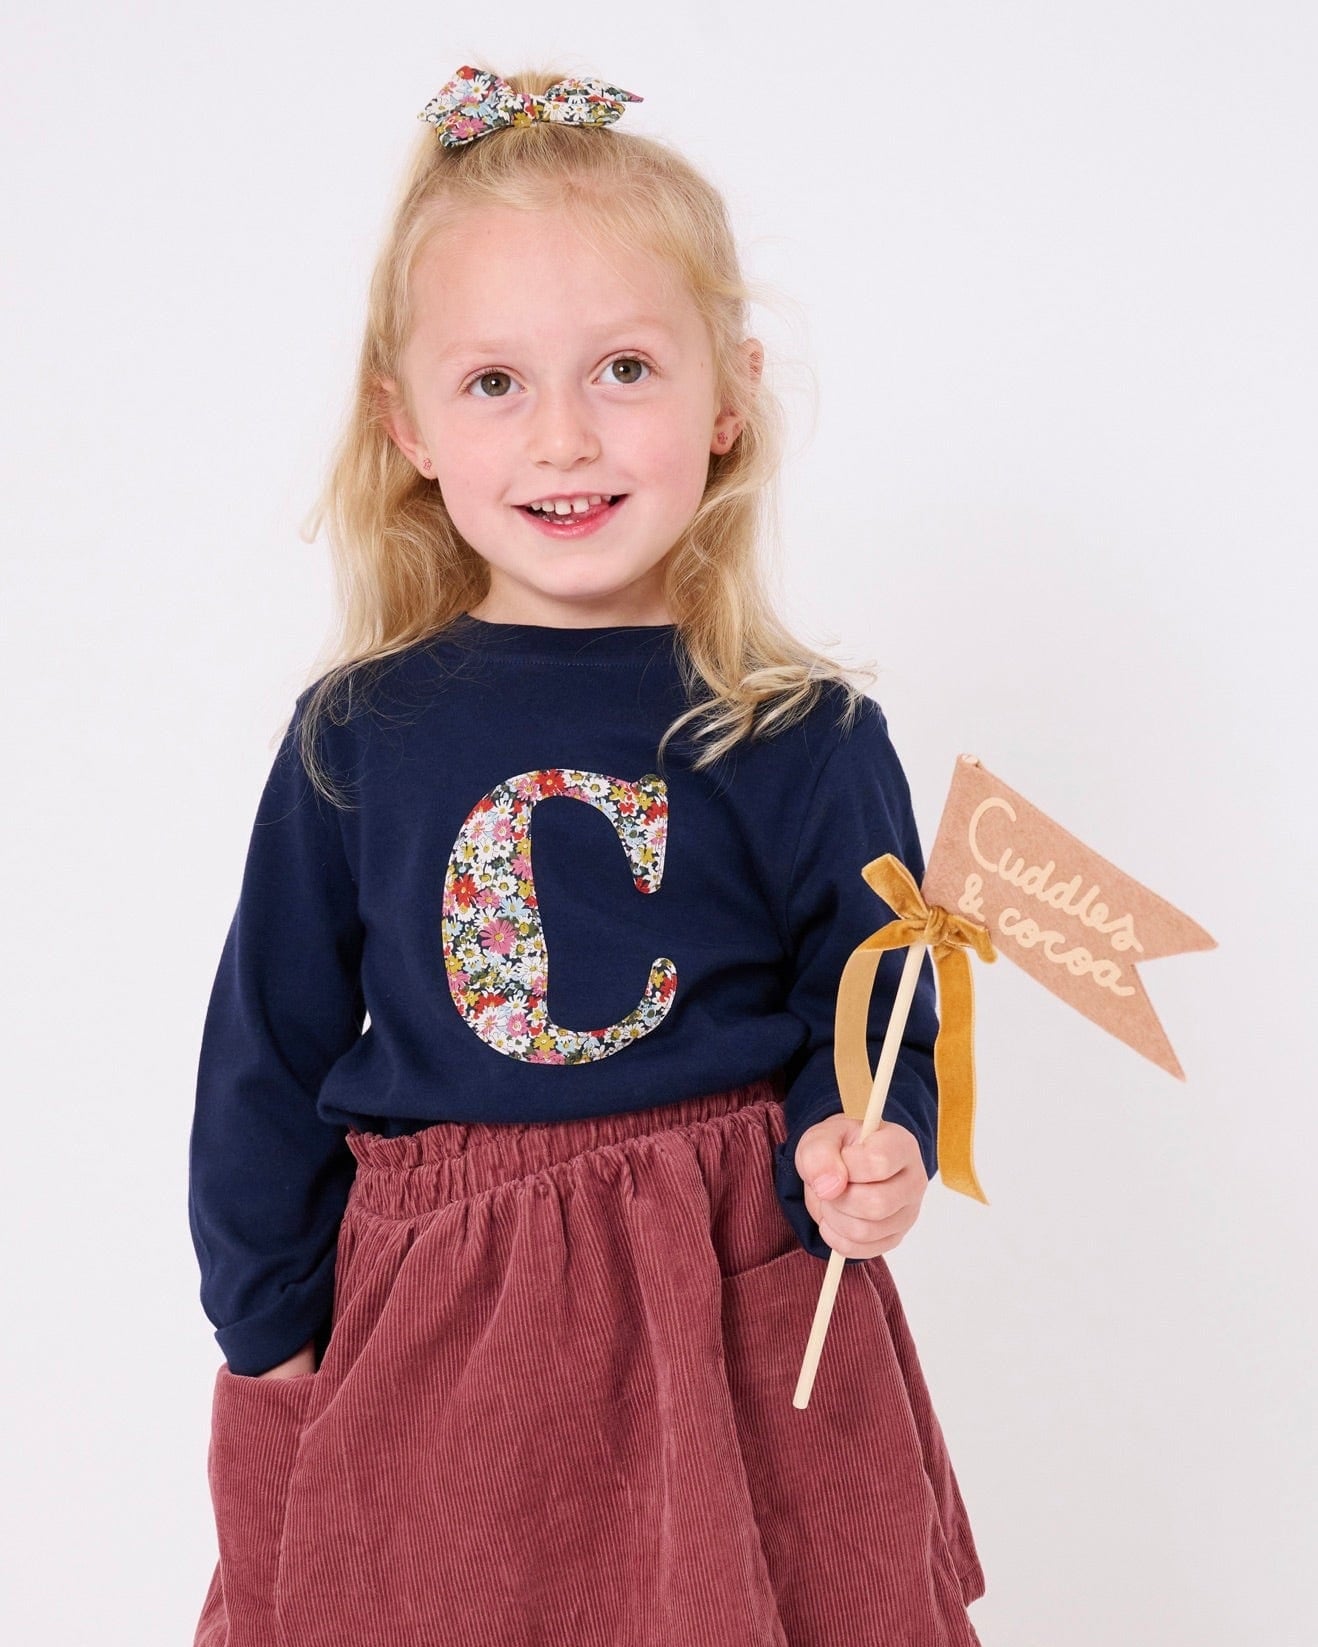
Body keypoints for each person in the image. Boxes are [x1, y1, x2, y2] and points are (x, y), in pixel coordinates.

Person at [188, 62, 986, 1647]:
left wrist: (864, 1140)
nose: (562, 434)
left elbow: (874, 997)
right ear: (406, 424)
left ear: (726, 395)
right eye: (495, 382)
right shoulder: (361, 732)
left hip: (729, 1293)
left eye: (624, 368)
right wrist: (268, 1335)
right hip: (440, 1319)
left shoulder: (802, 732)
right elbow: (266, 1048)